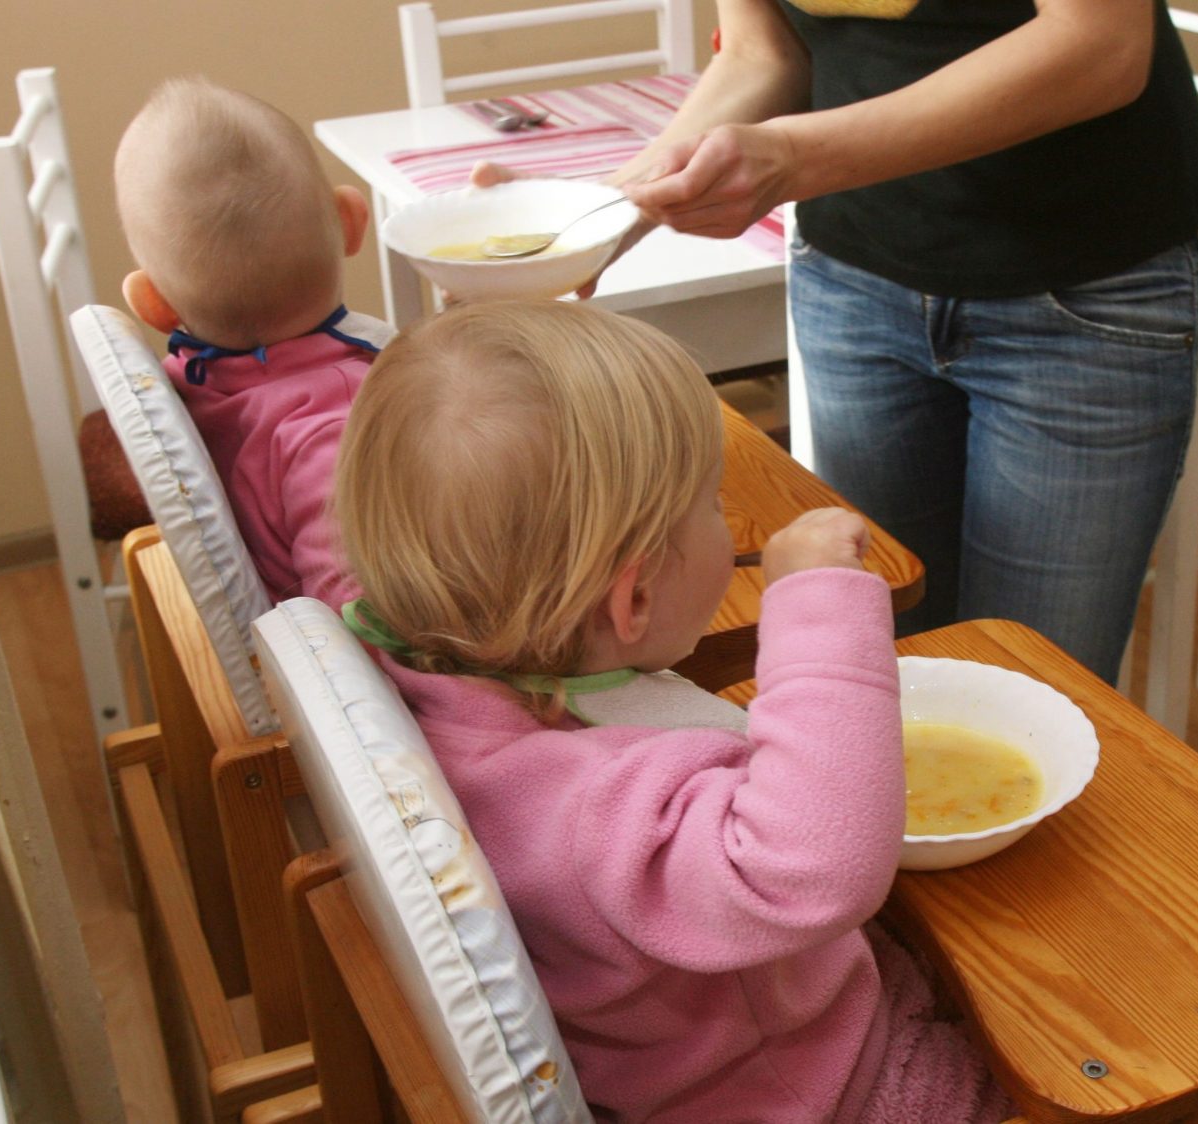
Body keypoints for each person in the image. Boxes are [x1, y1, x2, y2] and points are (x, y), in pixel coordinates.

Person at [331, 299, 1014, 1123]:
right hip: (831, 1094)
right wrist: (815, 601)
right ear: (637, 597)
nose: (728, 526)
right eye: (713, 505)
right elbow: (813, 867)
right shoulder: (588, 812)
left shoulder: (443, 679)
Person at [494, 0, 1198, 684]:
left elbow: (1100, 47)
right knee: (879, 651)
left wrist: (793, 156)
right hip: (854, 279)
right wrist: (609, 209)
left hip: (1084, 282)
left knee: (1036, 686)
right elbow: (763, 55)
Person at [115, 76, 393, 608]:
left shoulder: (191, 381)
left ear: (153, 304)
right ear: (353, 221)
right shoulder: (340, 427)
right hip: (394, 674)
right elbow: (366, 617)